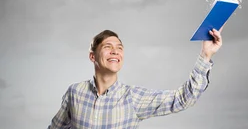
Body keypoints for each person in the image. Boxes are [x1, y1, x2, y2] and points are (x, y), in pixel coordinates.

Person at [47, 28, 222, 128]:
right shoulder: (75, 93)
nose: (115, 51)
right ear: (92, 56)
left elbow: (183, 99)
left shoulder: (133, 98)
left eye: (120, 48)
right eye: (108, 47)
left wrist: (205, 55)